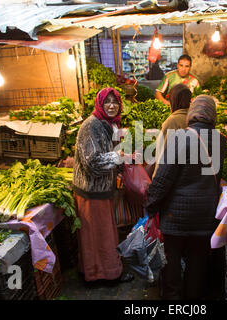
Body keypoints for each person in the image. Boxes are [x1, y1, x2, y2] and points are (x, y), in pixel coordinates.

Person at [145, 95, 227, 300]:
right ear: (212, 115)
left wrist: (150, 207)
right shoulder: (221, 141)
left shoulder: (181, 137)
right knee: (197, 266)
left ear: (192, 114)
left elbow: (163, 178)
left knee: (171, 267)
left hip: (176, 217)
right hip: (205, 216)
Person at [72, 87, 134, 284]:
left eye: (115, 102)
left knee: (99, 235)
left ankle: (96, 272)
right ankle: (106, 275)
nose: (111, 105)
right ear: (99, 104)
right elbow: (92, 162)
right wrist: (118, 157)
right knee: (101, 236)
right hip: (92, 191)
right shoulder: (92, 125)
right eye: (107, 101)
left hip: (100, 190)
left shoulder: (107, 124)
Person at [151, 83, 192, 179]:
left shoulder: (172, 121)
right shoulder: (193, 117)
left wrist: (155, 180)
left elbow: (163, 156)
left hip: (174, 178)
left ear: (173, 100)